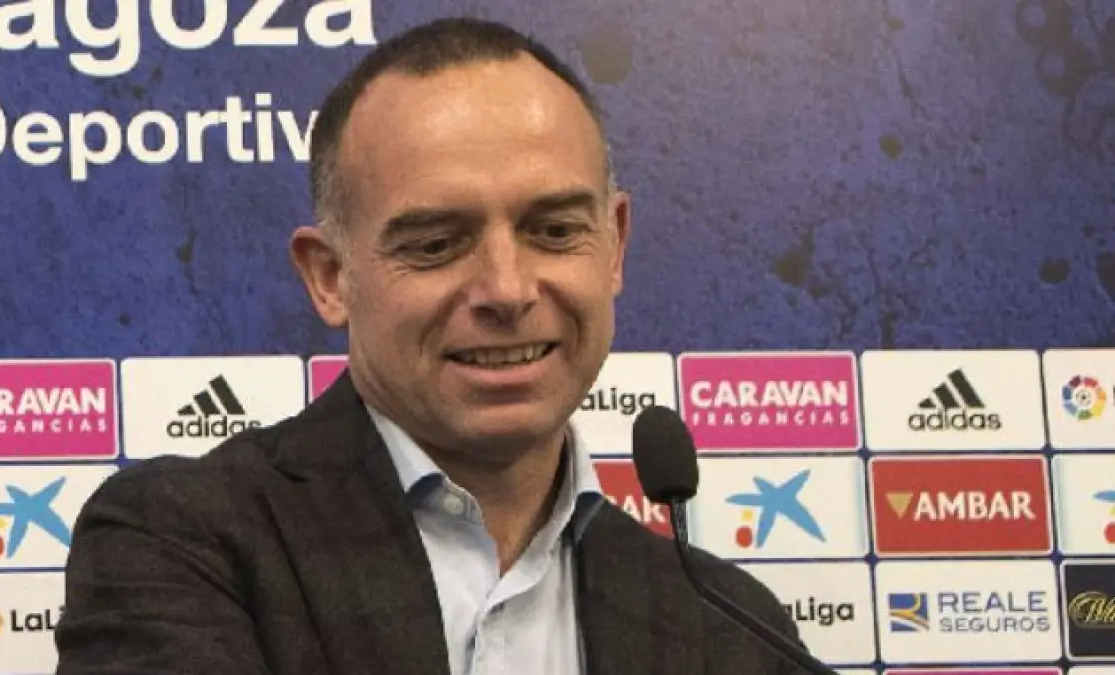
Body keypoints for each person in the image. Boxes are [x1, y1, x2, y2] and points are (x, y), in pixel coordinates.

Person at [53, 16, 803, 675]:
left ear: (614, 247)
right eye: (438, 244)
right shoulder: (180, 543)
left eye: (553, 231)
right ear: (330, 278)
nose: (507, 290)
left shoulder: (730, 622)